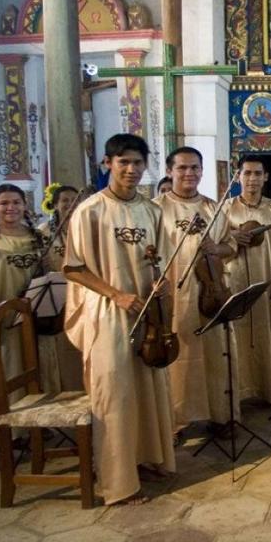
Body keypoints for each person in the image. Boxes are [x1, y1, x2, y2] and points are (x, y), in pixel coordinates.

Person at [63, 133, 176, 505]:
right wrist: (116, 294)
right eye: (123, 161)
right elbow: (74, 268)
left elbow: (163, 258)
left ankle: (145, 459)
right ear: (107, 164)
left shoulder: (152, 210)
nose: (131, 169)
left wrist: (159, 283)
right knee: (114, 395)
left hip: (147, 314)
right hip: (107, 315)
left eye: (138, 163)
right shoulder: (90, 211)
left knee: (145, 391)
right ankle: (117, 482)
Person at [155, 147, 235, 432]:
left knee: (215, 354)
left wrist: (217, 248)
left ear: (202, 171)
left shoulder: (213, 208)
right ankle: (177, 422)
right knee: (179, 360)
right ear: (169, 171)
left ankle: (220, 414)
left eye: (195, 168)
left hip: (211, 294)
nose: (189, 173)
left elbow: (231, 245)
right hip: (175, 295)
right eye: (182, 168)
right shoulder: (156, 208)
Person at [0, 184, 49, 439]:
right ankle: (7, 431)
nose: (10, 207)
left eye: (16, 202)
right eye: (4, 203)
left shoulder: (37, 237)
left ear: (25, 205)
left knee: (33, 367)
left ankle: (34, 425)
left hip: (31, 318)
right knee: (1, 371)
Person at [224, 154, 271, 405]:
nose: (252, 179)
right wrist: (232, 238)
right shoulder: (225, 209)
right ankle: (240, 391)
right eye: (247, 173)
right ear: (238, 176)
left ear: (265, 177)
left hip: (266, 281)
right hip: (236, 283)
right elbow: (217, 247)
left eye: (257, 174)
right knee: (237, 337)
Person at [36, 183, 85, 390]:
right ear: (55, 204)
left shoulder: (84, 228)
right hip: (56, 299)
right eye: (65, 200)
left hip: (82, 295)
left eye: (75, 200)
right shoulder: (44, 233)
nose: (70, 204)